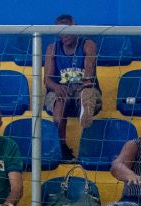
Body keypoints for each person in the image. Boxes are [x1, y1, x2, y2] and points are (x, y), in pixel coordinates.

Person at [43, 14, 101, 152]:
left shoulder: (87, 45)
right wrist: (56, 87)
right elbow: (47, 80)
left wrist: (86, 84)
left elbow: (89, 67)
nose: (65, 35)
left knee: (87, 93)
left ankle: (85, 107)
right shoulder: (52, 48)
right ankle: (61, 147)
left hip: (83, 88)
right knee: (60, 99)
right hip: (61, 89)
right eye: (61, 32)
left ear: (76, 28)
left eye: (68, 30)